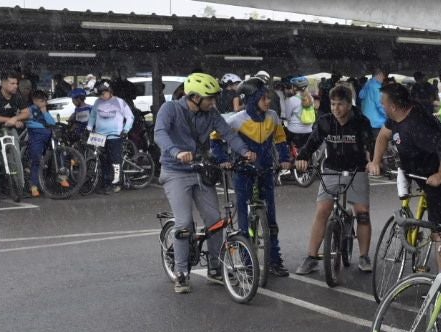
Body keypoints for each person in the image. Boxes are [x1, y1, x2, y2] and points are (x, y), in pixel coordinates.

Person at [155, 73, 250, 292]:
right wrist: (176, 152)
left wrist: (245, 151)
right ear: (195, 97)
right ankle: (181, 273)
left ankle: (215, 268)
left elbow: (228, 134)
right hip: (175, 171)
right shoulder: (170, 109)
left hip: (200, 170)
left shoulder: (211, 114)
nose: (213, 102)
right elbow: (159, 134)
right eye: (210, 98)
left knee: (215, 221)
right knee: (184, 223)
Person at [369, 80, 441, 265]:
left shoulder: (418, 125)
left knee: (439, 231)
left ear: (393, 106)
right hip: (414, 169)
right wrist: (375, 161)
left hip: (434, 176)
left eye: (383, 103)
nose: (381, 105)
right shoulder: (396, 117)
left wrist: (440, 175)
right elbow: (383, 136)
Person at [294, 84, 376, 274]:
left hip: (356, 171)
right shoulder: (325, 121)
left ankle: (364, 256)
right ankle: (311, 257)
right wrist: (302, 158)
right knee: (323, 211)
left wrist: (372, 162)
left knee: (362, 213)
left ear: (349, 104)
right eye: (332, 104)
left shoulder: (361, 121)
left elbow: (369, 145)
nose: (336, 109)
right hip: (331, 170)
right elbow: (312, 142)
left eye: (340, 104)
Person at [224, 80, 289, 280]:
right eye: (263, 98)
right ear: (252, 99)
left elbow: (281, 139)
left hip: (266, 170)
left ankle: (275, 261)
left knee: (271, 220)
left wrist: (285, 158)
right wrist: (223, 159)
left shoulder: (273, 116)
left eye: (268, 97)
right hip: (243, 172)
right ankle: (246, 262)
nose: (268, 101)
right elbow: (216, 139)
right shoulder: (236, 120)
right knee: (243, 221)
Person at [0, 72, 31, 192]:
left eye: (16, 83)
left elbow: (27, 113)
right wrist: (11, 120)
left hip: (9, 128)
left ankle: (20, 184)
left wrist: (15, 118)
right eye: (12, 83)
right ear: (3, 83)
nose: (15, 86)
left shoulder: (17, 96)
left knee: (16, 155)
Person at [87, 80, 134, 194]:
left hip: (115, 136)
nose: (101, 96)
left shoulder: (119, 102)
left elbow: (130, 117)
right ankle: (106, 183)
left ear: (109, 91)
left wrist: (125, 130)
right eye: (99, 95)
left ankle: (117, 183)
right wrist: (89, 127)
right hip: (99, 136)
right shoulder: (97, 102)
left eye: (103, 94)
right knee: (103, 161)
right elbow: (93, 116)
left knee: (115, 161)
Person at [23, 91, 57, 198]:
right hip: (36, 136)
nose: (44, 103)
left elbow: (52, 123)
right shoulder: (29, 110)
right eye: (42, 101)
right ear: (34, 100)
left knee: (55, 155)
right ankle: (34, 186)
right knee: (36, 160)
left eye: (45, 101)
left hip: (48, 136)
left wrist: (45, 112)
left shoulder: (44, 110)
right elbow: (26, 121)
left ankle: (56, 178)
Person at [359, 67, 388, 131]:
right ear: (379, 74)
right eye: (383, 75)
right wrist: (388, 115)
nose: (383, 78)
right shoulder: (377, 86)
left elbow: (360, 96)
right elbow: (380, 104)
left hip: (366, 120)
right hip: (377, 122)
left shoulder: (367, 84)